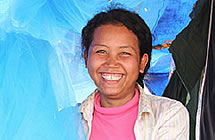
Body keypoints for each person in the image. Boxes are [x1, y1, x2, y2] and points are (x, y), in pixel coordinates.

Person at [80, 7, 189, 140]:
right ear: (86, 59)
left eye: (124, 53)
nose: (111, 63)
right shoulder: (70, 119)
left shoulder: (168, 113)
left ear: (142, 63)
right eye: (101, 51)